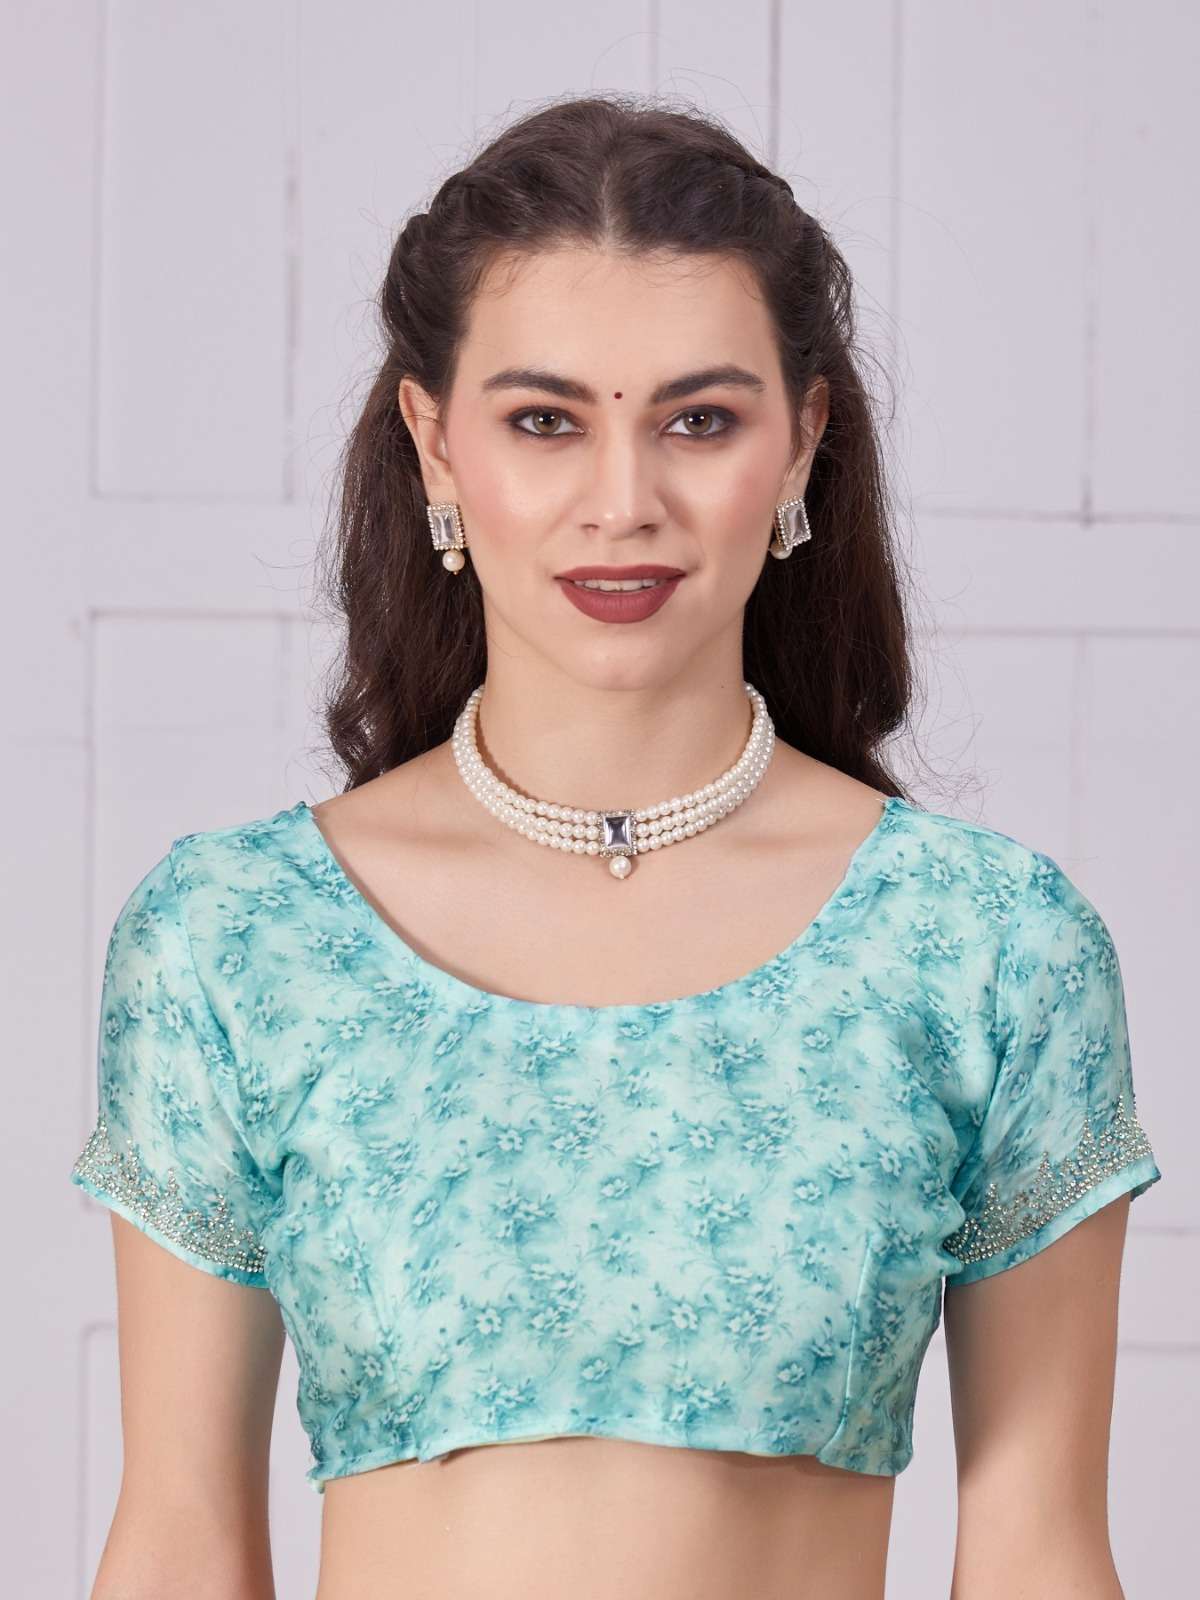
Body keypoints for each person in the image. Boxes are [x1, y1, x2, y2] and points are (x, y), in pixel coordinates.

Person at [70, 93, 1162, 1600]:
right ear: (433, 444)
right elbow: (179, 1543)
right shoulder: (237, 936)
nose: (624, 504)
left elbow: (1041, 1555)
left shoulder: (985, 944)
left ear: (804, 442)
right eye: (545, 422)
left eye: (700, 421)